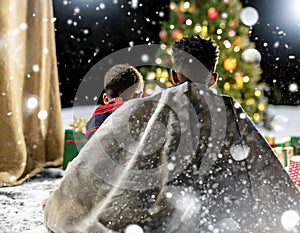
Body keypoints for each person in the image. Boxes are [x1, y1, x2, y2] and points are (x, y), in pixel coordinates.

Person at [44, 36, 300, 233]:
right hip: (217, 215)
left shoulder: (140, 109)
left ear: (173, 75)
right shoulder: (229, 112)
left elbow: (100, 158)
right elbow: (266, 176)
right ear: (213, 79)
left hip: (148, 211)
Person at [85, 63, 144, 140]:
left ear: (105, 98)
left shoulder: (96, 115)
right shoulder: (136, 114)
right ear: (138, 96)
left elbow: (89, 139)